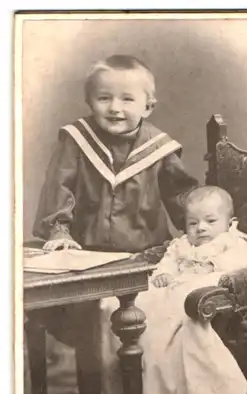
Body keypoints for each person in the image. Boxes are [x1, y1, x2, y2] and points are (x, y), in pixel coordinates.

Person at [101, 186, 247, 394]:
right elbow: (168, 263)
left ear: (229, 222)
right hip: (177, 287)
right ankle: (149, 339)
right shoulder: (182, 245)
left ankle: (165, 332)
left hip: (212, 290)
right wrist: (164, 274)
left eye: (210, 221)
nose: (200, 228)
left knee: (185, 298)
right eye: (193, 223)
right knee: (132, 301)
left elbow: (237, 266)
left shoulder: (234, 241)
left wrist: (211, 266)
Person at [33, 54, 198, 252]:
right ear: (90, 102)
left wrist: (204, 228)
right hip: (82, 251)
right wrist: (59, 230)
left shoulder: (159, 147)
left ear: (148, 107)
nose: (114, 108)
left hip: (146, 253)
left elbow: (181, 195)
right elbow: (59, 187)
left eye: (127, 99)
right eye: (104, 98)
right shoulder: (76, 139)